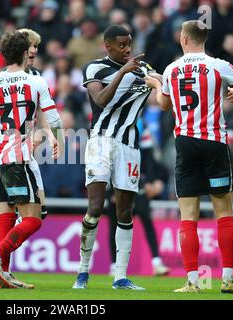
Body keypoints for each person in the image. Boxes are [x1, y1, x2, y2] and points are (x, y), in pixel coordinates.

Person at [145, 20, 233, 293]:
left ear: (184, 39)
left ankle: (193, 282)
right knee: (224, 212)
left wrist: (155, 84)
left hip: (185, 143)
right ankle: (228, 279)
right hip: (215, 143)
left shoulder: (172, 69)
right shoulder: (219, 66)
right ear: (204, 39)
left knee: (188, 215)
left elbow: (163, 105)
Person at [0, 31, 63, 289]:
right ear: (25, 53)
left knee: (6, 219)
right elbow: (54, 119)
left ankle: (2, 276)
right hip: (18, 159)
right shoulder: (36, 82)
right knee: (34, 218)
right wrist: (59, 141)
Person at [72, 25, 157, 290]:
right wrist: (122, 72)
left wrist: (161, 81)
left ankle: (120, 277)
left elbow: (161, 82)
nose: (127, 49)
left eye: (129, 43)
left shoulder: (143, 69)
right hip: (101, 141)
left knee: (125, 211)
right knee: (96, 207)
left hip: (130, 146)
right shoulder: (95, 68)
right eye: (121, 45)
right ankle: (83, 272)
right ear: (108, 46)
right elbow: (99, 101)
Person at [107, 121, 170, 277]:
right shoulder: (111, 124)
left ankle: (157, 262)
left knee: (146, 219)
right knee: (115, 224)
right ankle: (114, 264)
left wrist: (149, 181)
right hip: (116, 183)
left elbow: (148, 159)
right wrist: (110, 191)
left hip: (137, 182)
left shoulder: (140, 124)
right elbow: (106, 160)